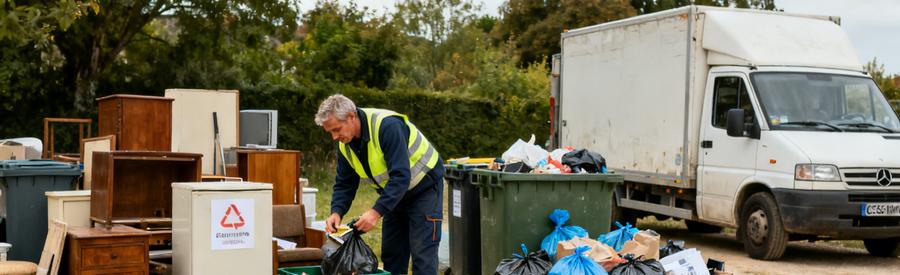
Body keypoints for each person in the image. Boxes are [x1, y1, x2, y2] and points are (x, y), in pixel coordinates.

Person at [315, 94, 444, 274]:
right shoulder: (345, 144)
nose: (334, 137)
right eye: (330, 132)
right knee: (392, 255)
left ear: (351, 116)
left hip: (424, 190)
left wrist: (375, 212)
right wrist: (337, 211)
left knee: (423, 257)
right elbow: (345, 183)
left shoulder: (388, 127)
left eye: (337, 129)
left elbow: (401, 176)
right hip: (394, 195)